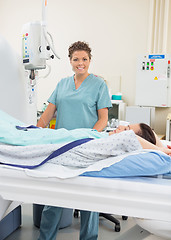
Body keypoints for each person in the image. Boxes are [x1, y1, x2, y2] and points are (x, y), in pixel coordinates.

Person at [37, 41, 112, 240]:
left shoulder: (99, 84)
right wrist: (35, 131)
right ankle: (45, 237)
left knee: (89, 199)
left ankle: (88, 238)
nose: (81, 63)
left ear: (90, 60)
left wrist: (90, 136)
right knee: (53, 199)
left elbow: (103, 118)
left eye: (84, 59)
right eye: (76, 59)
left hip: (86, 146)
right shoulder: (62, 84)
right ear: (70, 61)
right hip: (62, 146)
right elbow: (48, 114)